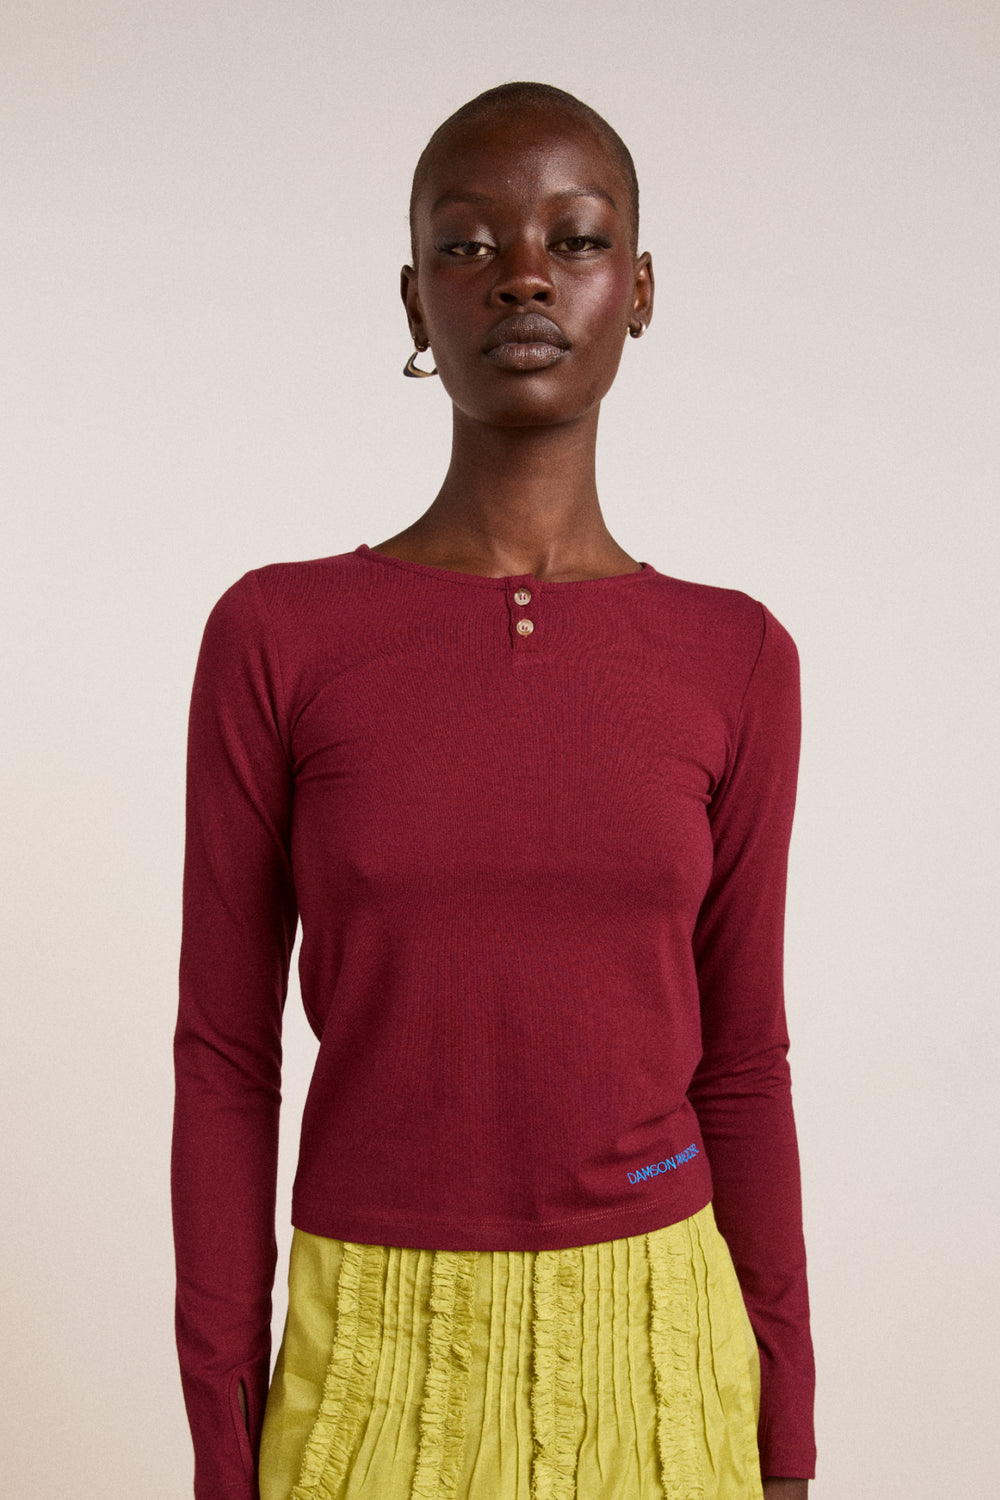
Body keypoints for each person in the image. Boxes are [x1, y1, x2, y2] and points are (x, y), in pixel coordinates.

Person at [172, 82, 816, 1500]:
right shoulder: (279, 635)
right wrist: (224, 1442)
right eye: (469, 246)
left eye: (574, 240)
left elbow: (743, 1061)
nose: (524, 276)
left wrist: (784, 1441)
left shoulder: (737, 657)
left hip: (661, 1354)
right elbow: (224, 1056)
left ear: (638, 290)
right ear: (415, 300)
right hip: (370, 1348)